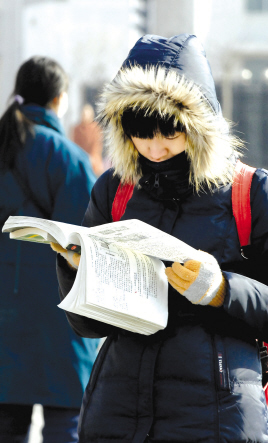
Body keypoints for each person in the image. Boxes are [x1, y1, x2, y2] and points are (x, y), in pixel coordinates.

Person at [51, 34, 268, 443]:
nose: (154, 147)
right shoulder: (114, 191)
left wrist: (222, 288)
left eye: (169, 130)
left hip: (216, 416)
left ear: (198, 122)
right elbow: (87, 325)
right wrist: (75, 270)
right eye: (139, 130)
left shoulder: (250, 194)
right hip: (118, 412)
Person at [0, 56, 100, 443]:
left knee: (3, 419)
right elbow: (85, 242)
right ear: (59, 100)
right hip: (57, 313)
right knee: (66, 419)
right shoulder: (68, 158)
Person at [71, 103, 105, 176]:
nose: (84, 116)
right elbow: (75, 145)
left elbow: (97, 145)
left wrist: (91, 158)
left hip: (94, 162)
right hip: (80, 161)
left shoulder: (96, 128)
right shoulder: (76, 129)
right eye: (83, 114)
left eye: (86, 114)